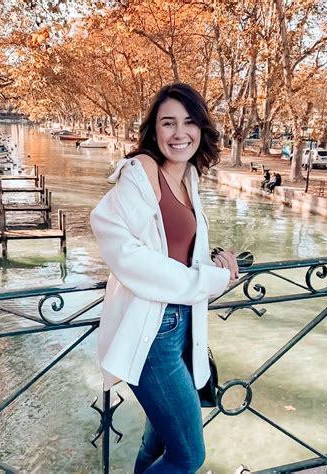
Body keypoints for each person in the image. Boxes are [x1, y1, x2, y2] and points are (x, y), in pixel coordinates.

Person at [90, 83, 239, 473]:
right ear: (154, 130)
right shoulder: (142, 170)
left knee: (158, 443)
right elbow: (121, 246)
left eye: (189, 122)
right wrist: (205, 282)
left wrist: (217, 267)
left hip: (185, 322)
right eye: (168, 123)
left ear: (201, 128)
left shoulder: (189, 176)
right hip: (154, 330)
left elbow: (176, 247)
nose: (179, 133)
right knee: (188, 455)